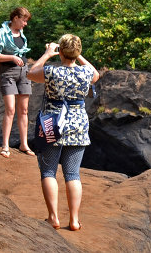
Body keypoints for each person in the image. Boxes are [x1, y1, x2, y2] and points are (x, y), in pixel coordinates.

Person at [27, 34, 100, 232]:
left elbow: (31, 73)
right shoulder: (86, 72)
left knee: (49, 171)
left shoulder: (51, 71)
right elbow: (96, 75)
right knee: (73, 174)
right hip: (77, 124)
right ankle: (74, 220)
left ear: (60, 51)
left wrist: (47, 54)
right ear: (78, 51)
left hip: (52, 123)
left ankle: (53, 217)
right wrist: (79, 56)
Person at [0, 6, 35, 158]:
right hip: (8, 72)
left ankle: (24, 144)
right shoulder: (0, 33)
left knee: (24, 110)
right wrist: (12, 57)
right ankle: (5, 145)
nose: (25, 24)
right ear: (16, 18)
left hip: (24, 72)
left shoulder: (21, 32)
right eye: (24, 20)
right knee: (10, 109)